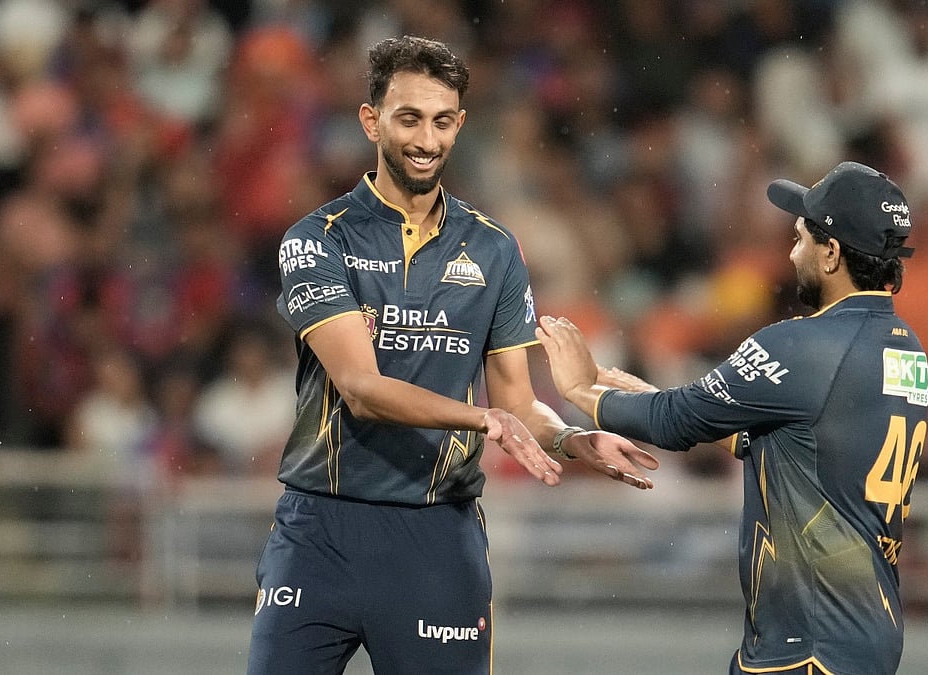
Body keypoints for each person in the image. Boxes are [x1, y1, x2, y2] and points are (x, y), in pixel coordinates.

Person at [248, 35, 659, 675]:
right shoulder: (316, 239)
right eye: (408, 118)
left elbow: (517, 403)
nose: (426, 139)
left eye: (443, 121)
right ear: (371, 120)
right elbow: (360, 385)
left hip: (437, 536)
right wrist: (482, 420)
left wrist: (571, 440)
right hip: (318, 532)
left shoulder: (495, 250)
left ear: (461, 124)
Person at [537, 161, 928, 675]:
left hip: (806, 647)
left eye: (801, 239)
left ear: (831, 253)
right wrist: (662, 398)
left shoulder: (801, 345)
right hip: (864, 636)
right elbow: (799, 450)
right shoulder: (907, 349)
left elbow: (673, 423)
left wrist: (578, 390)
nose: (792, 253)